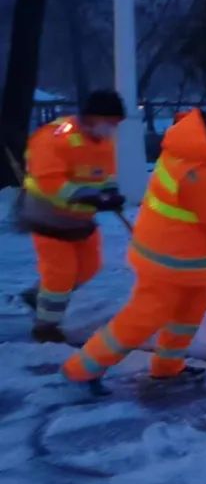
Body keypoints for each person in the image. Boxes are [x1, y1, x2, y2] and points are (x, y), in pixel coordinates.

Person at [59, 97, 206, 394]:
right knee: (143, 318)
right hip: (167, 259)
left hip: (185, 257)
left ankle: (167, 368)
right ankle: (81, 371)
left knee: (189, 312)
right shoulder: (201, 168)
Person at [18, 90, 126, 343]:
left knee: (89, 268)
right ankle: (46, 327)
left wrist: (110, 193)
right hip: (48, 218)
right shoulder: (54, 138)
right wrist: (85, 196)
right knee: (60, 275)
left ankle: (39, 296)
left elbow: (105, 174)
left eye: (115, 123)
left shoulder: (103, 142)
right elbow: (49, 179)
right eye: (109, 122)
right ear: (91, 117)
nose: (112, 128)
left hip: (80, 220)